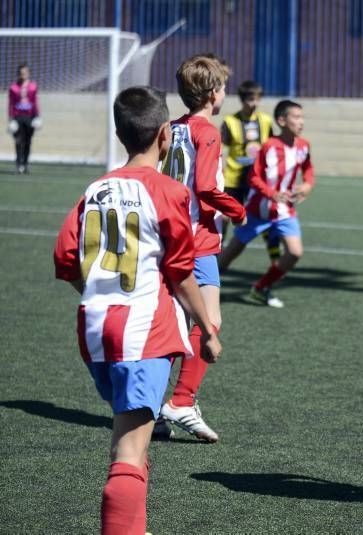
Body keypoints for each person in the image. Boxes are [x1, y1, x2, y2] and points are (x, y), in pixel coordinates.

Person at [53, 86, 221, 534]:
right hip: (144, 333)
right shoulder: (168, 191)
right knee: (128, 451)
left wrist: (101, 297)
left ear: (119, 132)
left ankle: (134, 526)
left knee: (131, 436)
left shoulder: (96, 188)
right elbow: (182, 273)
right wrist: (208, 326)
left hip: (94, 330)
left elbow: (67, 260)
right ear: (165, 134)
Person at [158, 54, 246, 442]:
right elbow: (208, 187)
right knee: (209, 322)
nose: (225, 91)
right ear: (213, 93)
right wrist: (237, 209)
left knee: (174, 324)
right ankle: (181, 400)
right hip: (199, 239)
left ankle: (150, 408)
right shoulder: (206, 131)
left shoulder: (172, 128)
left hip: (171, 235)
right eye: (223, 86)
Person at [218, 99, 314, 308]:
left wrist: (307, 186)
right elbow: (253, 177)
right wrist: (271, 193)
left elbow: (308, 170)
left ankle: (260, 288)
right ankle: (204, 288)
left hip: (284, 211)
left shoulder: (303, 146)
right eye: (296, 117)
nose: (301, 122)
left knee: (295, 252)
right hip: (257, 211)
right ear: (281, 120)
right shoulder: (269, 146)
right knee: (228, 256)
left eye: (302, 117)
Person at [220, 80, 276, 252]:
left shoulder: (265, 120)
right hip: (233, 178)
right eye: (251, 99)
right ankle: (217, 251)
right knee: (224, 217)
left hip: (257, 179)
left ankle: (275, 257)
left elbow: (271, 146)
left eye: (258, 99)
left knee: (265, 215)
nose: (255, 103)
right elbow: (220, 148)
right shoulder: (230, 121)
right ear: (242, 100)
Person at [7, 63, 41, 174]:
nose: (23, 75)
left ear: (28, 73)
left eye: (25, 73)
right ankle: (18, 164)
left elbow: (35, 102)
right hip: (18, 117)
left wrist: (37, 116)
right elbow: (11, 104)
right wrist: (11, 119)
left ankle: (25, 164)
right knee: (18, 141)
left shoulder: (33, 87)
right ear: (18, 74)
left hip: (29, 117)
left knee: (27, 142)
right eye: (21, 73)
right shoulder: (13, 87)